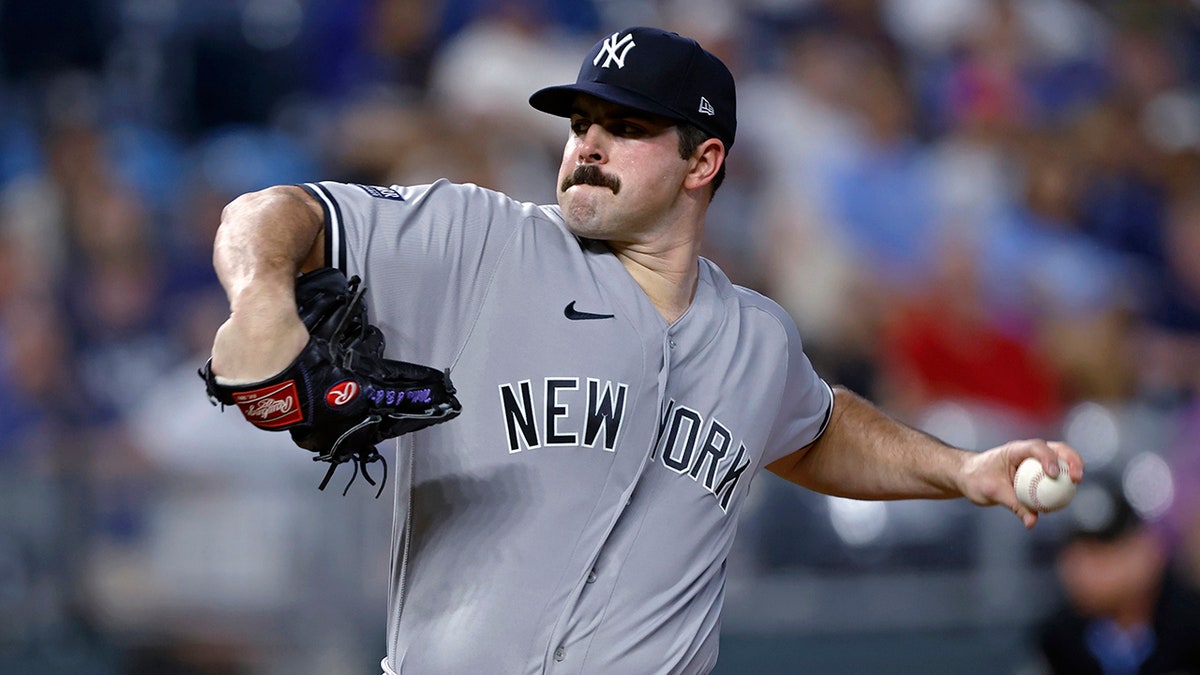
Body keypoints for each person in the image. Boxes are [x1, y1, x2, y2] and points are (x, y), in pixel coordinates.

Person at [205, 26, 1084, 675]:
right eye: (579, 120)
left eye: (623, 127)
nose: (586, 142)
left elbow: (815, 429)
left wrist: (961, 469)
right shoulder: (483, 242)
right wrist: (261, 303)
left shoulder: (756, 339)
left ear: (702, 162)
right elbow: (268, 215)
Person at [1036, 476, 1200, 675]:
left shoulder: (1190, 625)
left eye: (1100, 554)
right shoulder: (1060, 638)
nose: (1083, 570)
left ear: (1146, 549)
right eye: (1076, 553)